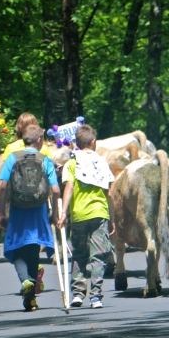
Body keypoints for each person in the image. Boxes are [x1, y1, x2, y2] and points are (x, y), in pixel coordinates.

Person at [0, 125, 61, 311]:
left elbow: (2, 186)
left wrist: (2, 211)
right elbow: (56, 190)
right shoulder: (45, 160)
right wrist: (54, 214)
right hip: (38, 212)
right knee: (33, 251)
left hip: (17, 211)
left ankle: (26, 282)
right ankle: (31, 296)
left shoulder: (12, 158)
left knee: (16, 249)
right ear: (39, 140)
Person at [60, 124, 115, 309]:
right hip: (100, 213)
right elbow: (110, 193)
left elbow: (69, 187)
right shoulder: (102, 162)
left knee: (79, 253)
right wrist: (112, 218)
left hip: (79, 215)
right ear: (93, 142)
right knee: (99, 255)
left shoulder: (72, 163)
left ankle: (77, 293)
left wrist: (63, 212)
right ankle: (96, 296)